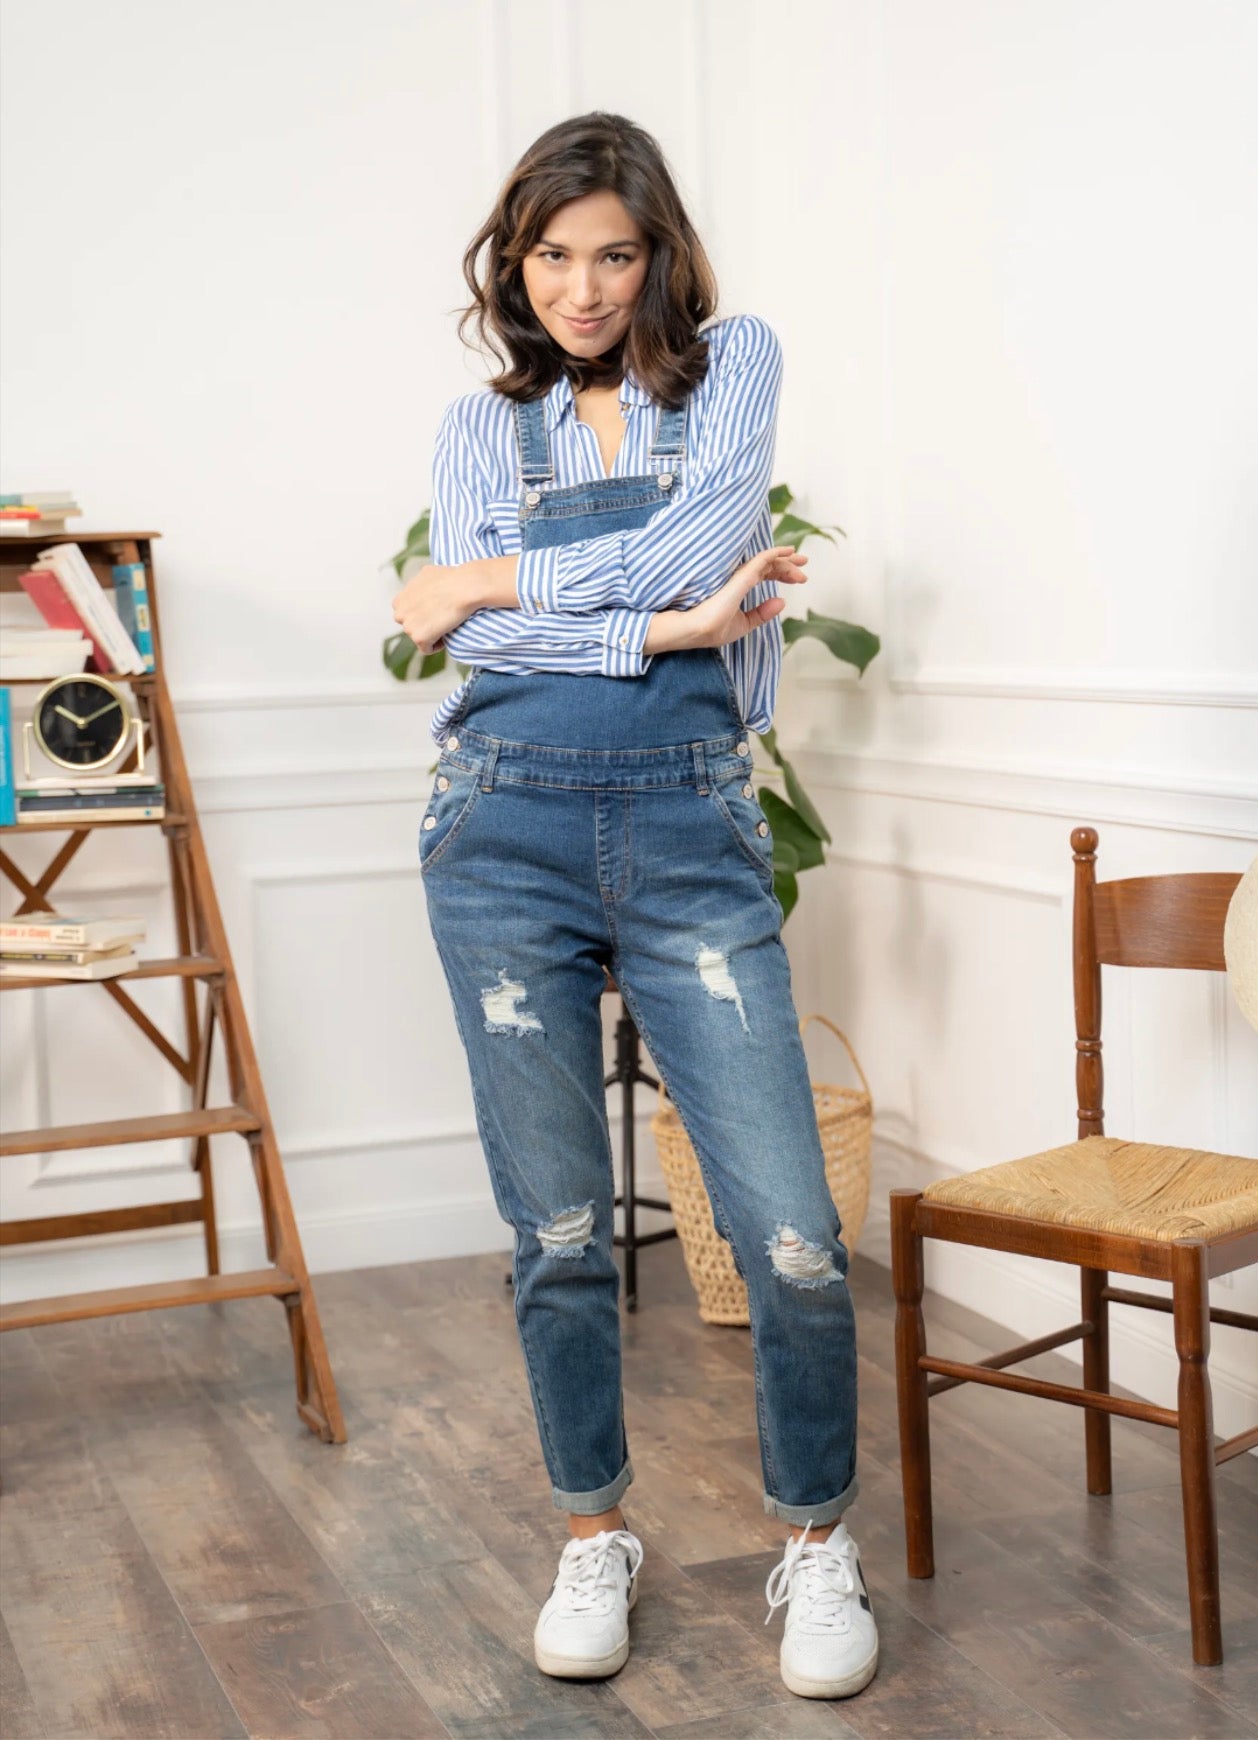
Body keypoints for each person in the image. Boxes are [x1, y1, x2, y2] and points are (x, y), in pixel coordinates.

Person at [393, 111, 877, 1702]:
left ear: (660, 253)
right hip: (502, 830)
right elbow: (485, 650)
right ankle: (592, 1532)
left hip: (687, 832)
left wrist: (486, 581)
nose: (583, 289)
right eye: (551, 255)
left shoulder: (732, 366)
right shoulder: (481, 428)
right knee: (555, 1232)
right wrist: (665, 627)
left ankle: (816, 1543)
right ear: (512, 263)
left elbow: (687, 543)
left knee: (791, 1235)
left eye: (612, 253)